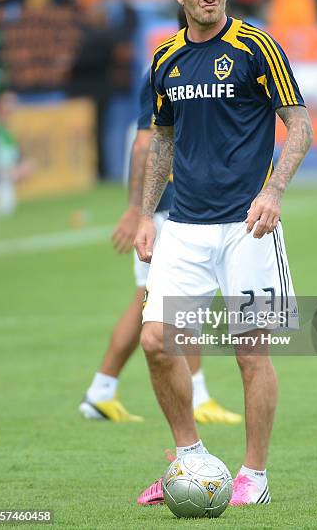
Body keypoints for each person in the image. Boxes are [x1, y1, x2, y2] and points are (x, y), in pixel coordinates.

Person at [134, 0, 313, 506]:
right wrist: (145, 214)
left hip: (248, 227)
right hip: (183, 227)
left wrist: (274, 191)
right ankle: (192, 461)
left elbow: (300, 125)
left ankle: (253, 476)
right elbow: (162, 139)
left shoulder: (257, 47)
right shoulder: (165, 59)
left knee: (249, 351)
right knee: (157, 341)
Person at [79, 68, 242, 425]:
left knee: (155, 299)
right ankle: (195, 395)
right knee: (174, 301)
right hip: (169, 207)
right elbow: (144, 142)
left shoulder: (173, 64)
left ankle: (101, 391)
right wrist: (138, 208)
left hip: (175, 205)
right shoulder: (166, 68)